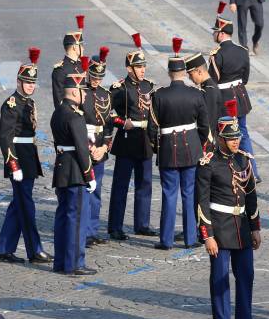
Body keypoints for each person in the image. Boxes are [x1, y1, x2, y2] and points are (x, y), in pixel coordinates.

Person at [195, 100, 267, 319]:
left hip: (242, 227)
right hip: (220, 226)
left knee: (246, 276)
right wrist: (207, 235)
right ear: (220, 138)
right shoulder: (208, 163)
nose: (236, 141)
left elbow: (251, 196)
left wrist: (255, 227)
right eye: (231, 138)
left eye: (237, 137)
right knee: (220, 279)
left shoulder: (244, 160)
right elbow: (201, 202)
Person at [148, 38, 209, 250]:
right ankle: (191, 238)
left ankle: (166, 240)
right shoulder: (196, 94)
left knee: (169, 194)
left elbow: (151, 128)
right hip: (191, 147)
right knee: (189, 192)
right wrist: (197, 145)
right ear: (184, 72)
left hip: (168, 149)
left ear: (169, 73)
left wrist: (158, 148)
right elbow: (204, 127)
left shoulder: (159, 95)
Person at [0, 48, 52, 265]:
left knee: (18, 205)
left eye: (33, 83)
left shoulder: (28, 102)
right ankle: (35, 251)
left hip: (28, 157)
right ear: (18, 82)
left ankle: (4, 248)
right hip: (18, 159)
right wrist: (13, 164)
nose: (31, 86)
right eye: (27, 82)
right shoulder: (11, 104)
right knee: (26, 206)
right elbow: (6, 137)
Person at [108, 33, 158, 240]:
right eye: (138, 67)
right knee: (120, 185)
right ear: (129, 68)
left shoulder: (149, 85)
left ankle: (142, 224)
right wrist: (121, 123)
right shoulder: (119, 88)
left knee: (145, 183)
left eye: (143, 66)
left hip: (145, 140)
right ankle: (115, 226)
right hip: (127, 140)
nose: (142, 69)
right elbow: (108, 112)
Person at [50, 62, 98, 276]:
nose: (85, 96)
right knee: (77, 220)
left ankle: (60, 261)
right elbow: (81, 149)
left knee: (63, 218)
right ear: (74, 92)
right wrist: (90, 175)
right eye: (83, 92)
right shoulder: (75, 116)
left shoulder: (58, 113)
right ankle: (75, 263)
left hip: (61, 170)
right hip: (76, 172)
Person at [208, 10, 260, 182]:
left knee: (222, 135)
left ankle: (226, 171)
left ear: (221, 33)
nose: (214, 34)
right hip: (240, 96)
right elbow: (245, 78)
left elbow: (212, 82)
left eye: (215, 31)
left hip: (224, 99)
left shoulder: (218, 55)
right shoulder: (242, 51)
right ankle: (253, 171)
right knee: (243, 133)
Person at [81, 47, 114, 248]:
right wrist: (89, 147)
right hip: (84, 143)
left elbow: (108, 126)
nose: (96, 80)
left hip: (100, 145)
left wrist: (104, 148)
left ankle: (92, 230)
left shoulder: (106, 95)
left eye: (100, 77)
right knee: (85, 190)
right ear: (88, 73)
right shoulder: (81, 92)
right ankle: (82, 231)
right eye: (94, 76)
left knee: (97, 191)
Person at [185, 52, 224, 140]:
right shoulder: (208, 87)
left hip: (208, 141)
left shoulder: (209, 91)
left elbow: (209, 122)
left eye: (191, 74)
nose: (190, 78)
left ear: (199, 71)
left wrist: (202, 143)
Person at [52, 15, 85, 109]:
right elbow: (59, 99)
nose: (83, 48)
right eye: (81, 46)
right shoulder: (60, 70)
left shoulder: (81, 65)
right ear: (75, 47)